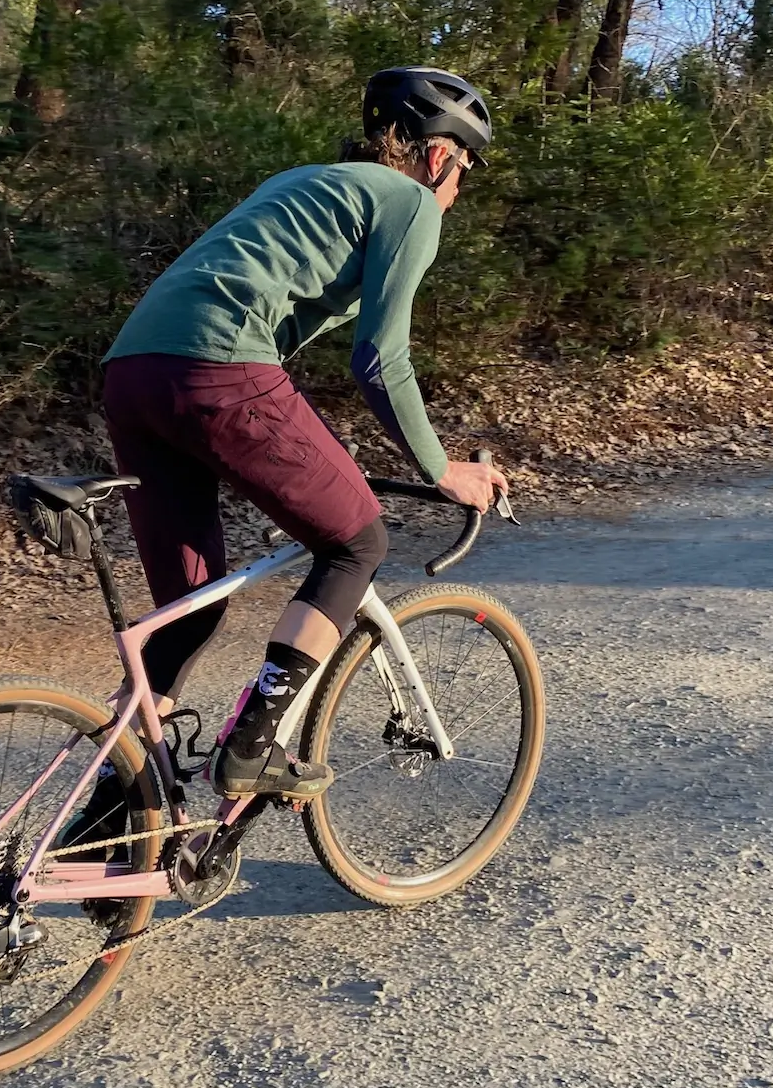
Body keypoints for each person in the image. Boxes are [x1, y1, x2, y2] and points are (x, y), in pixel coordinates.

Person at [90, 66, 508, 818]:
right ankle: (253, 744)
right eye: (465, 169)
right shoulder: (411, 200)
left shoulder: (304, 182)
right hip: (220, 369)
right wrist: (441, 469)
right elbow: (380, 358)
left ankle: (115, 809)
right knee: (357, 543)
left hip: (131, 375)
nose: (458, 189)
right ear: (438, 154)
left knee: (188, 608)